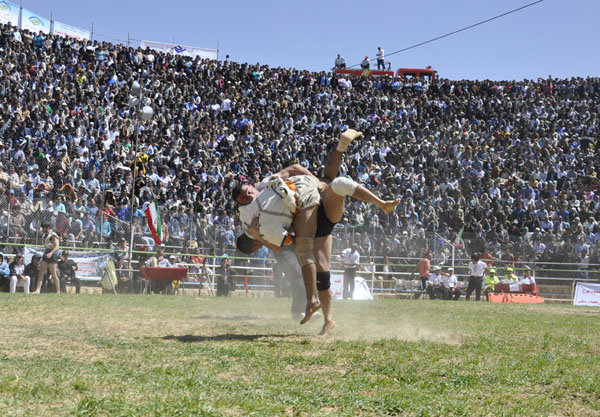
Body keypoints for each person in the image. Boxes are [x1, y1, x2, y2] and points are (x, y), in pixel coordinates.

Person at [33, 222, 61, 294]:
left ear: (47, 227)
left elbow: (57, 246)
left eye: (43, 227)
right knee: (41, 272)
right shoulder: (44, 235)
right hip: (46, 254)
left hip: (53, 254)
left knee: (54, 274)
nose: (42, 229)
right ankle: (38, 290)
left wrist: (51, 253)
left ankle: (58, 291)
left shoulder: (53, 235)